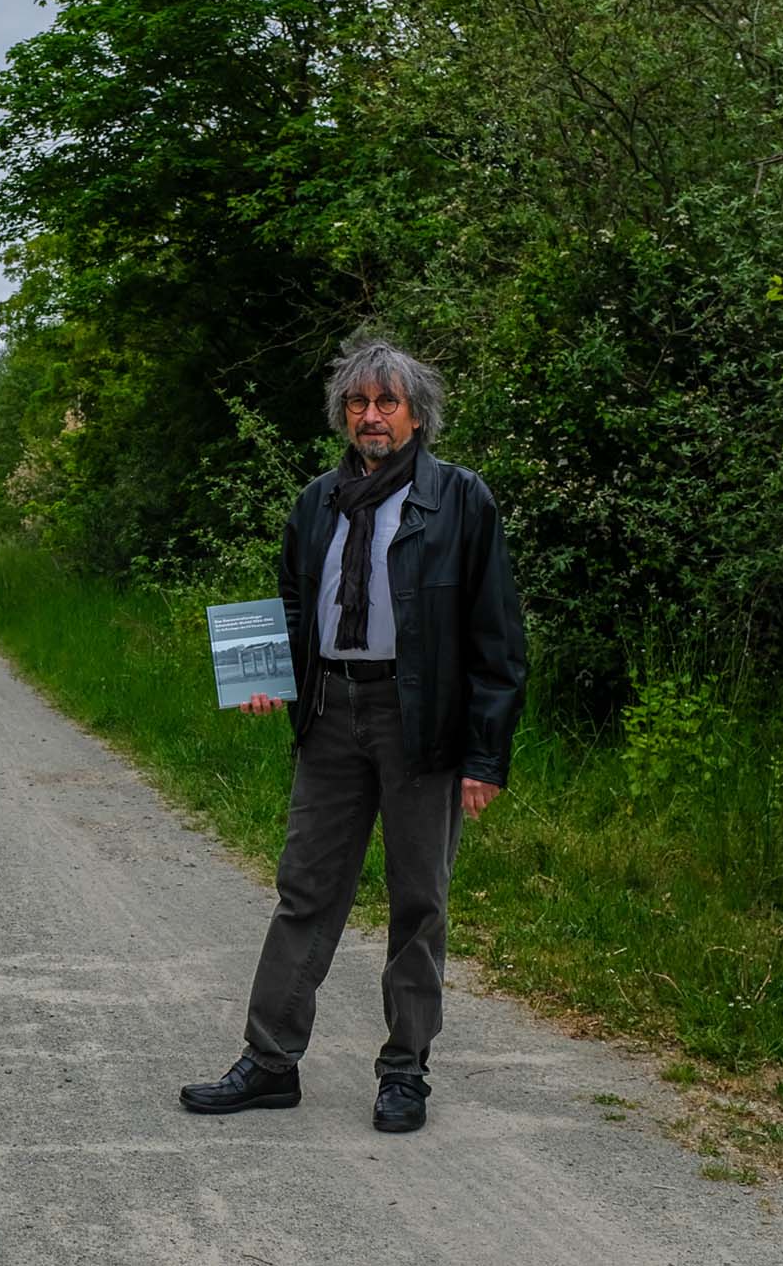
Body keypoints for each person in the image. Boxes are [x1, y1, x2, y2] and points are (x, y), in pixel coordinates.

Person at [180, 333, 527, 1133]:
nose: (371, 416)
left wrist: (485, 754)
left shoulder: (461, 501)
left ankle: (405, 1071)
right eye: (358, 403)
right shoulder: (317, 502)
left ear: (416, 415)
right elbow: (294, 606)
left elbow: (496, 639)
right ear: (344, 413)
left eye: (387, 403)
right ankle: (269, 1063)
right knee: (305, 891)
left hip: (422, 724)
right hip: (333, 714)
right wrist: (273, 680)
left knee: (419, 901)